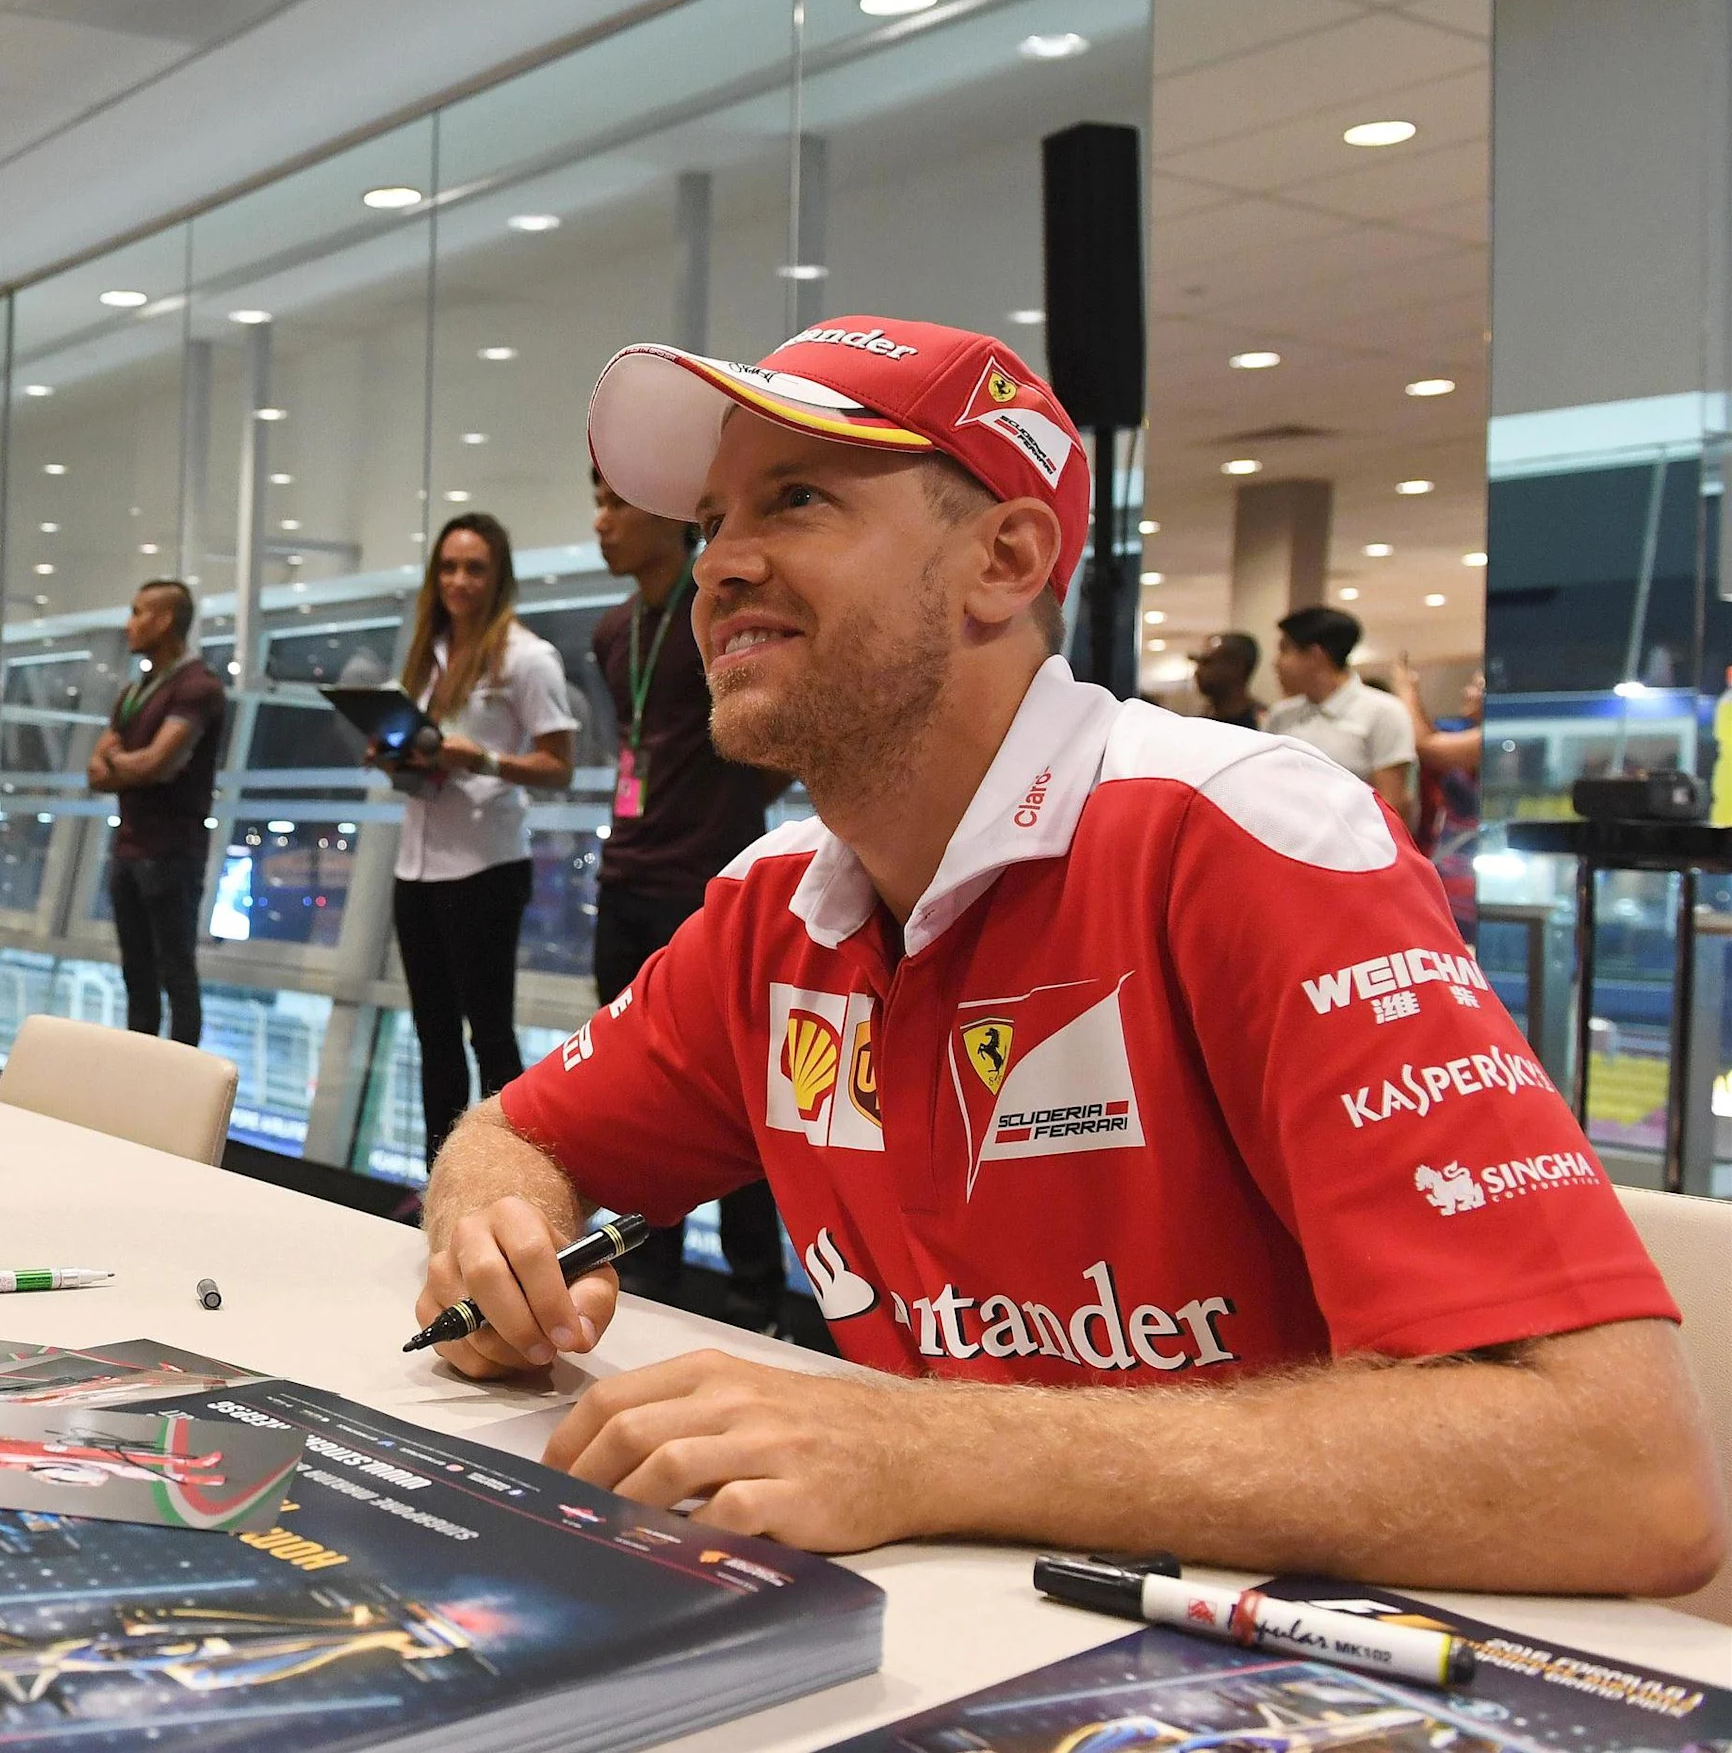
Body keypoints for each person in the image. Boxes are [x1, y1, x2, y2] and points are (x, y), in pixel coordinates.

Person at [412, 313, 1719, 1596]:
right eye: (710, 523)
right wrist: (497, 1233)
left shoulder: (1250, 837)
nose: (718, 566)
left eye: (795, 500)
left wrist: (930, 1447)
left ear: (1006, 559)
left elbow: (1620, 1468)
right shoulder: (774, 909)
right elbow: (526, 1138)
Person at [586, 465, 786, 1330]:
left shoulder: (719, 625)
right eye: (596, 500)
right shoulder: (610, 635)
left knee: (741, 1102)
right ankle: (651, 1276)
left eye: (618, 502)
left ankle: (755, 1297)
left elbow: (768, 737)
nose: (602, 521)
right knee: (638, 1098)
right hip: (626, 873)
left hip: (706, 880)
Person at [379, 514, 575, 1165]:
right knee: (433, 1036)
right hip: (418, 866)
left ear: (499, 579)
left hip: (485, 869)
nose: (459, 581)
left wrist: (483, 760)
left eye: (474, 568)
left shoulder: (527, 658)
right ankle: (442, 1178)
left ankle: (506, 1179)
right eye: (448, 568)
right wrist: (394, 757)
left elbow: (559, 767)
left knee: (488, 1036)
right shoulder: (427, 656)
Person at [88, 579, 226, 1045]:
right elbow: (98, 770)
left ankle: (184, 1093)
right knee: (137, 976)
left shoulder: (198, 687)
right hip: (130, 850)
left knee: (176, 977)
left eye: (138, 611)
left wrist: (121, 763)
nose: (129, 623)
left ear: (165, 620)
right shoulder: (135, 690)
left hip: (171, 853)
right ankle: (139, 1084)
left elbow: (155, 763)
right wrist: (132, 766)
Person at [1264, 606, 1413, 812]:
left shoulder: (1383, 712)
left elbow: (1392, 803)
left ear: (1315, 656)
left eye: (1284, 650)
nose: (1276, 663)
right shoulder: (1281, 715)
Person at [1397, 654, 1483, 949]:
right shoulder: (1468, 734)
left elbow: (1428, 747)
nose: (1467, 692)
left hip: (1471, 875)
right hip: (1453, 866)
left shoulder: (1490, 738)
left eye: (1477, 686)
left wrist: (1405, 689)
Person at [1190, 630, 1262, 726]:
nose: (1198, 671)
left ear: (1237, 667)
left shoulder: (1264, 726)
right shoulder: (1200, 725)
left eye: (1207, 662)